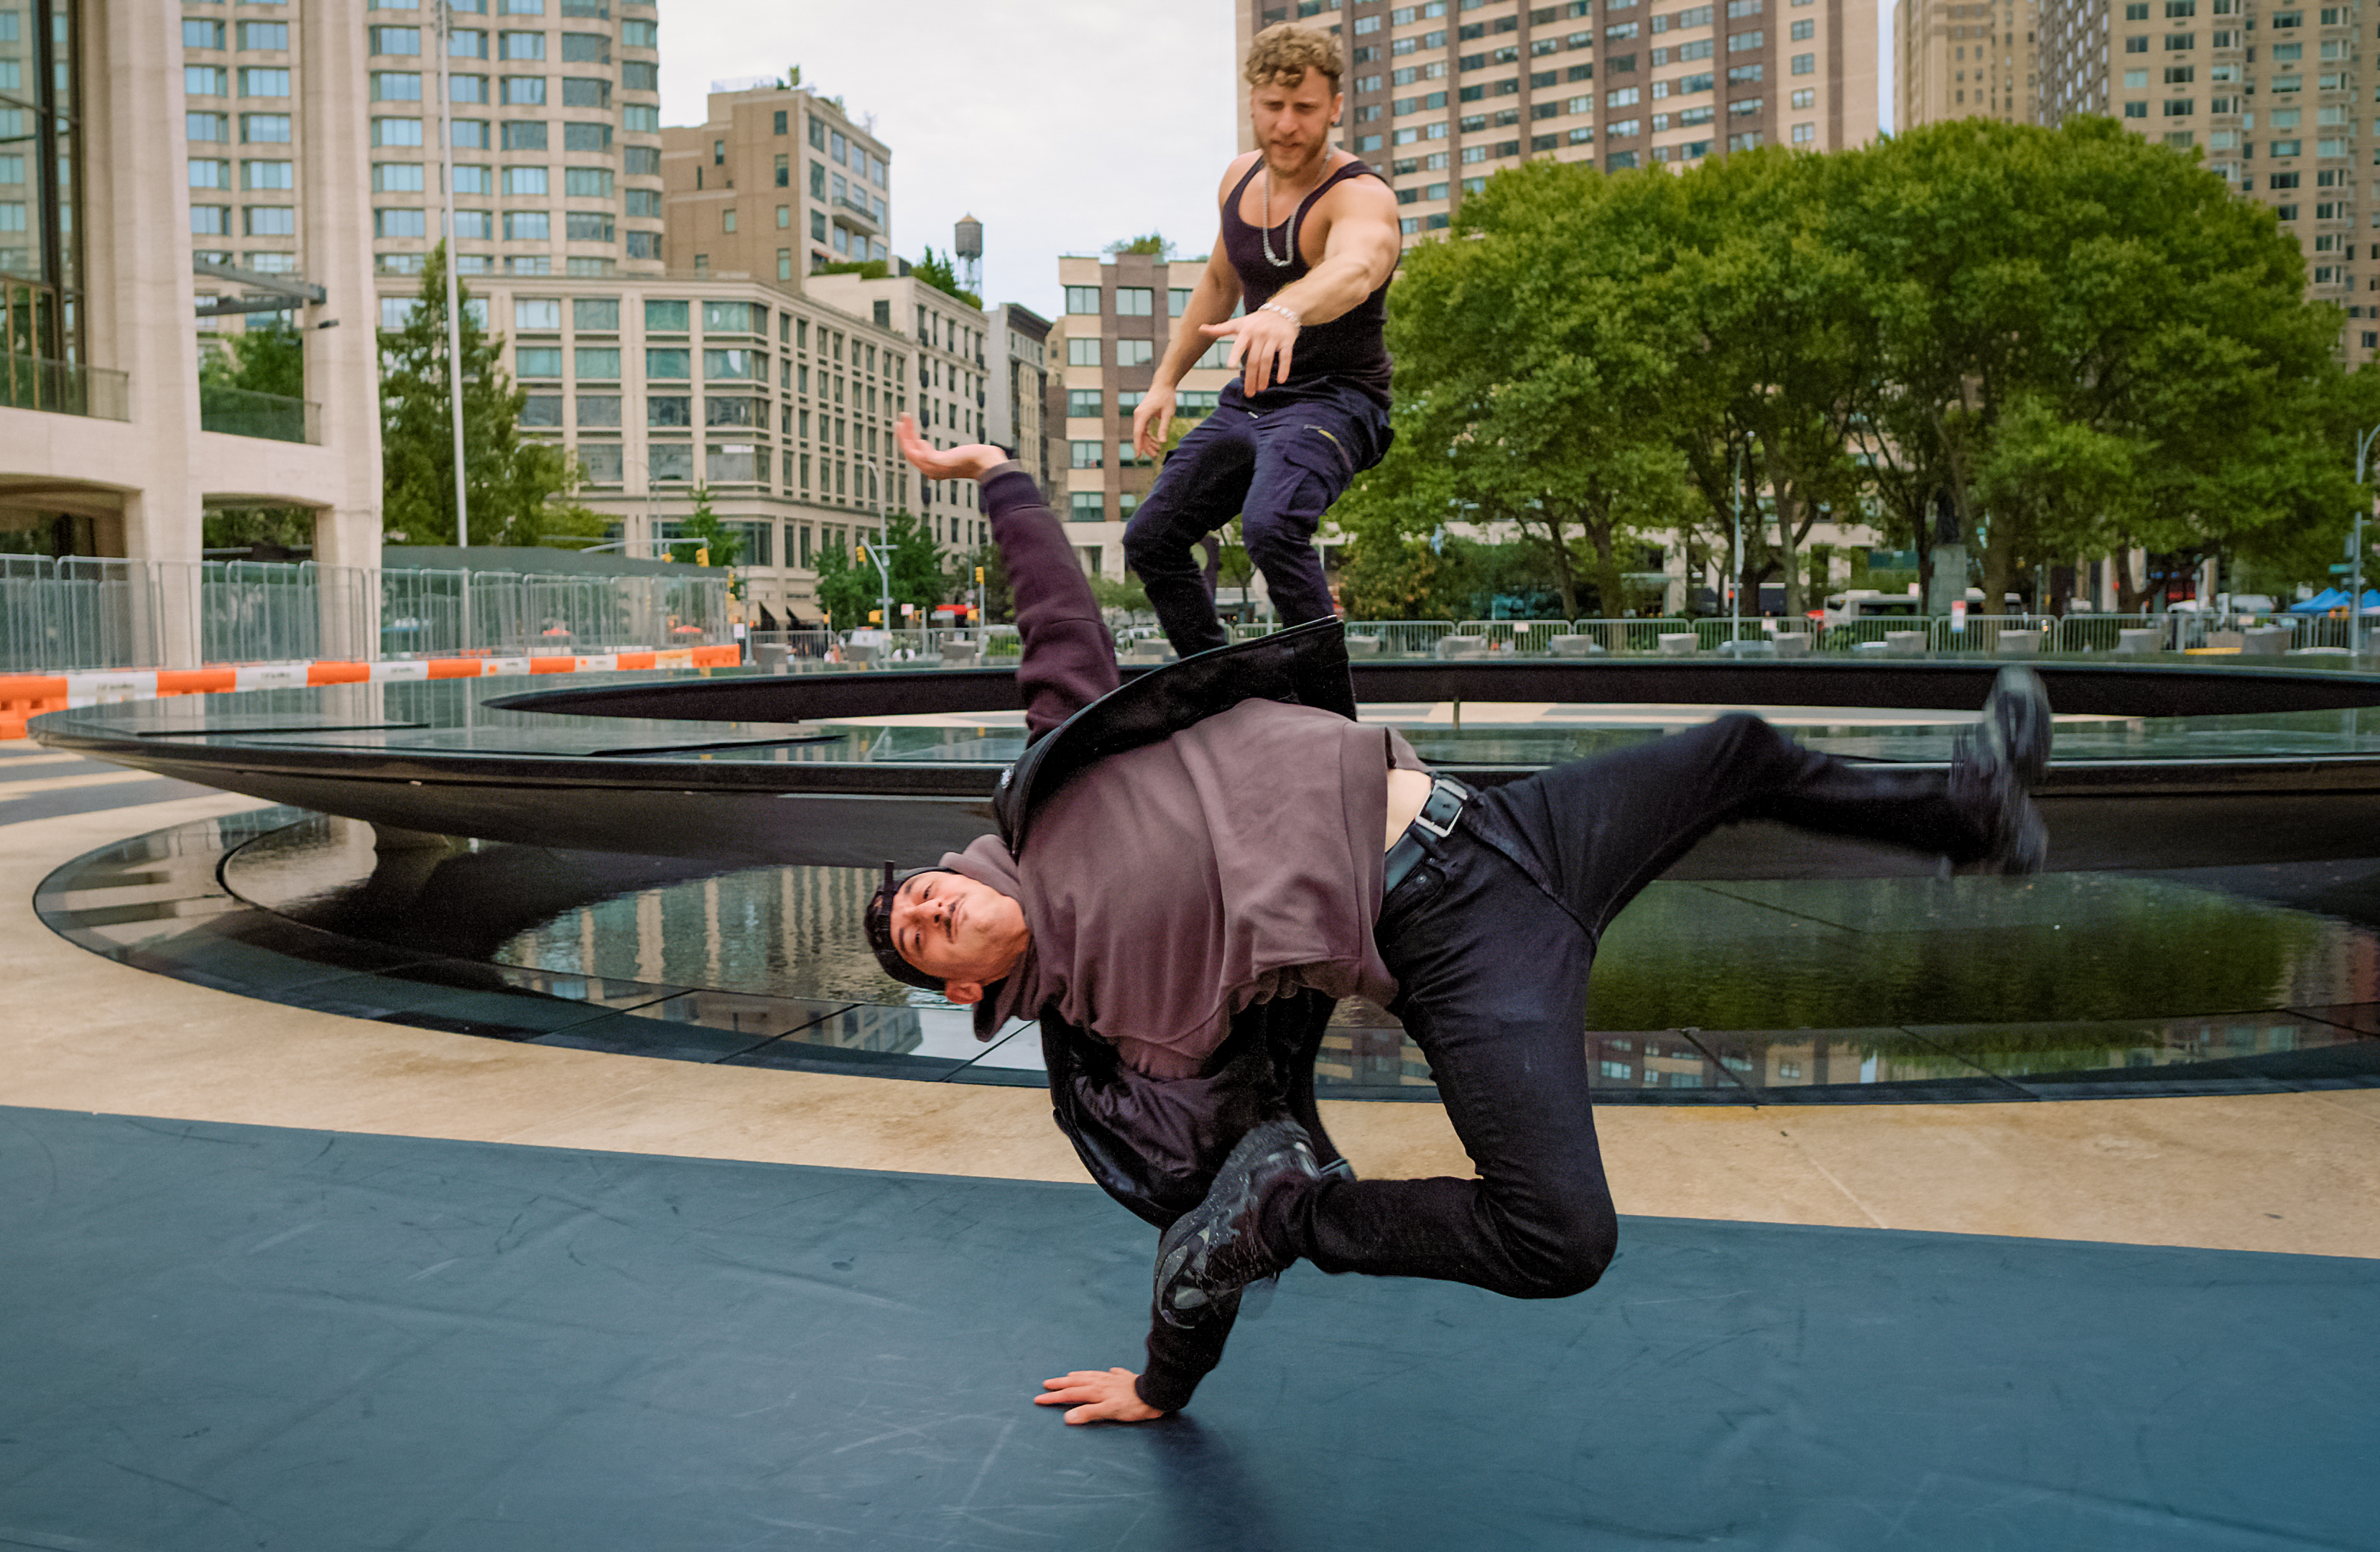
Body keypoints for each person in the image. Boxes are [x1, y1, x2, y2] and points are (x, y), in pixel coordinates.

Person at [866, 415, 2055, 1425]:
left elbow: (1057, 625)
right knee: (1560, 1238)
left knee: (1734, 751)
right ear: (969, 989)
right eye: (920, 937)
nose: (927, 906)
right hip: (1453, 946)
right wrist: (1164, 1380)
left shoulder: (1057, 795)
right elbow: (1199, 1210)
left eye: (921, 891)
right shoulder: (1121, 1035)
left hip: (1504, 831)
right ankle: (1315, 1222)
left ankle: (1972, 817)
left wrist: (999, 478)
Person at [1121, 22, 1404, 660]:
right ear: (1251, 103)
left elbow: (1356, 270)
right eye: (1273, 108)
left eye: (1305, 109)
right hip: (1253, 399)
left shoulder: (1360, 197)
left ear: (1334, 108)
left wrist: (1286, 308)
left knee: (1271, 527)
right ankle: (1216, 685)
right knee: (1151, 537)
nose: (1286, 126)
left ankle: (1331, 720)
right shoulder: (1238, 180)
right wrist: (1164, 380)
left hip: (1340, 402)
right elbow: (1221, 280)